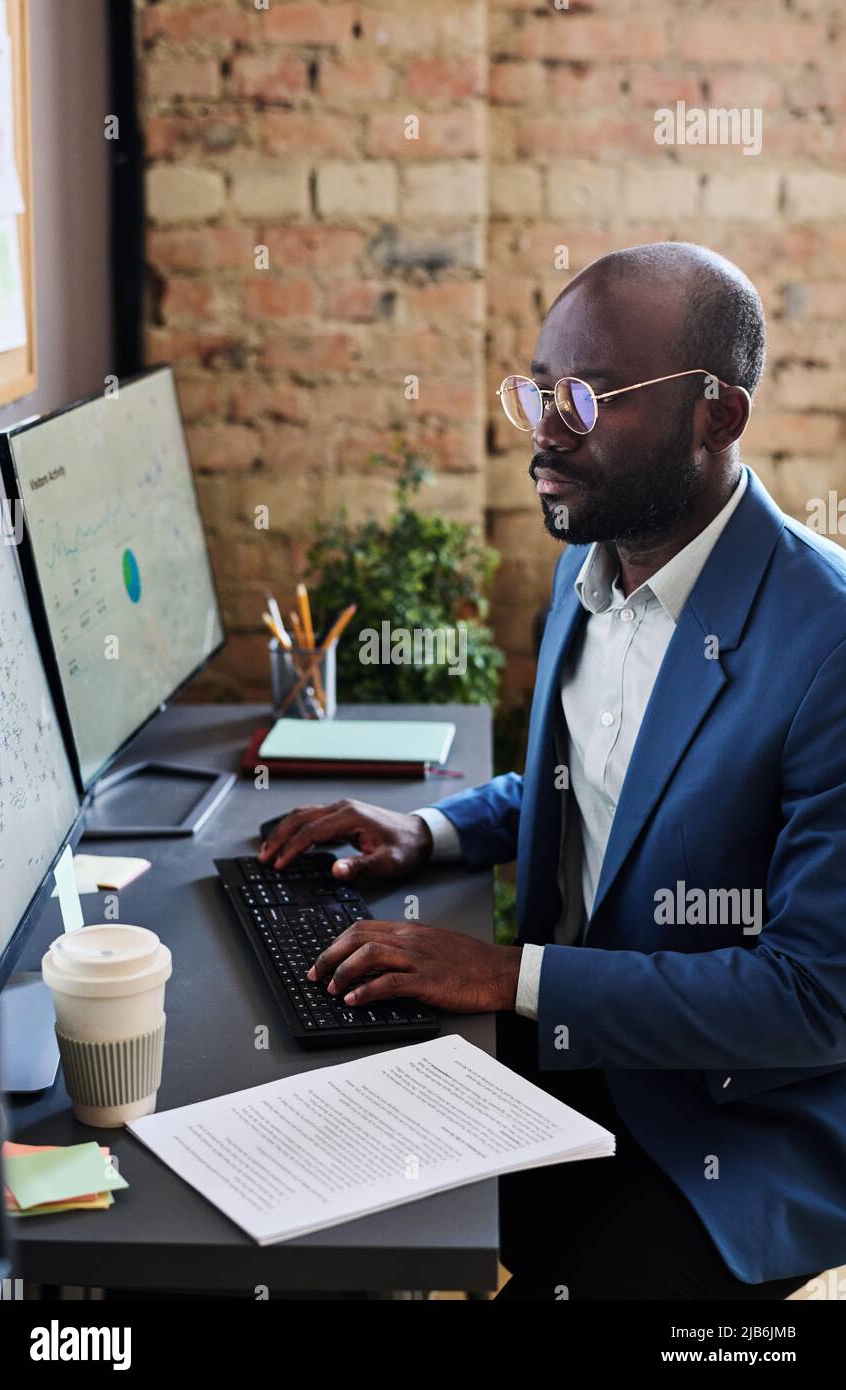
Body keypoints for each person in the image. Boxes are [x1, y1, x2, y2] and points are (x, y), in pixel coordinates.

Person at [258, 243, 846, 1300]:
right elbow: (612, 793)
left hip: (721, 1130)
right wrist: (429, 833)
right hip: (571, 1052)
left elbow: (809, 998)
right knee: (300, 1150)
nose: (544, 426)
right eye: (537, 387)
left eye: (589, 394)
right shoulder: (597, 558)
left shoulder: (826, 642)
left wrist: (506, 975)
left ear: (718, 414)